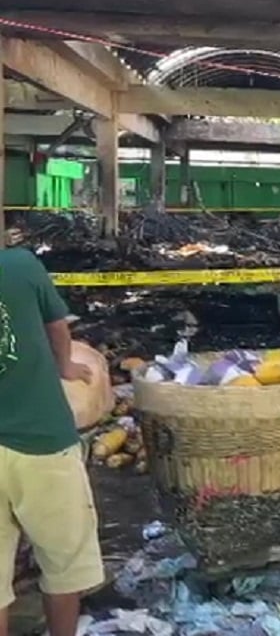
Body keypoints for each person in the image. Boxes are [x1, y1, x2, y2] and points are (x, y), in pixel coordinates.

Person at [0, 248, 103, 636]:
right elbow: (57, 325)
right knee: (65, 565)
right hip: (43, 441)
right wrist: (63, 366)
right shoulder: (20, 265)